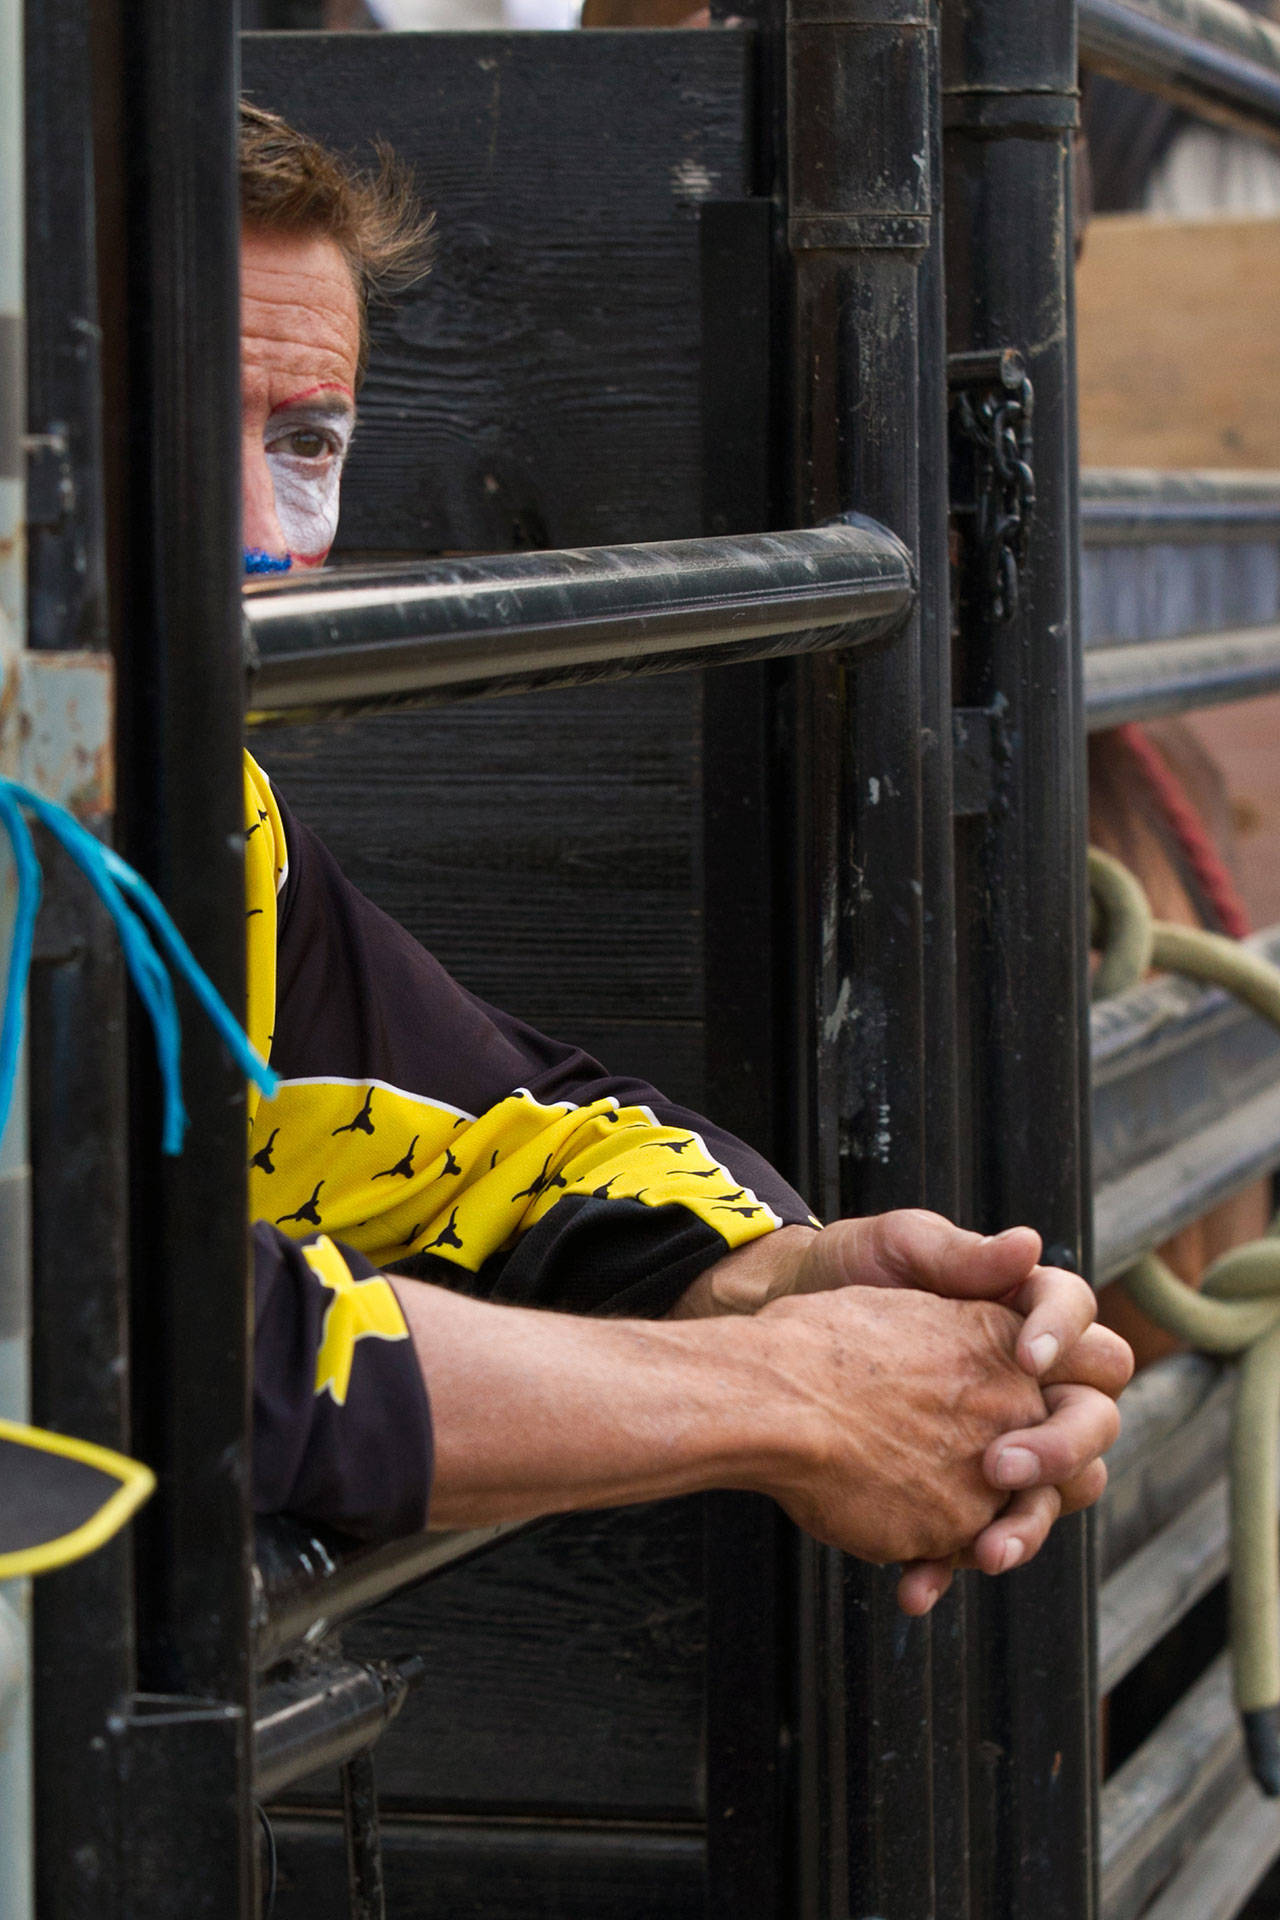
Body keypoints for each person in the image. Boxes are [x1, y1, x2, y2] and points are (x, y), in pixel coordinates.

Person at [240, 100, 1132, 1617]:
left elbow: (483, 1127)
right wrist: (789, 1398)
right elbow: (127, 1343)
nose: (258, 528)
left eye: (308, 443)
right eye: (164, 434)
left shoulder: (195, 826)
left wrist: (779, 1274)